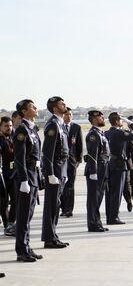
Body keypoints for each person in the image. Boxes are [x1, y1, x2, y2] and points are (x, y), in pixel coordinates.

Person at [13, 99, 44, 262]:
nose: (36, 108)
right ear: (24, 111)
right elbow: (19, 158)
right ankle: (21, 250)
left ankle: (26, 245)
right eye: (32, 107)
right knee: (23, 215)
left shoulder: (32, 129)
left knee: (29, 215)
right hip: (26, 177)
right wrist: (23, 180)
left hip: (33, 175)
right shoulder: (22, 130)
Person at [41, 96, 70, 249]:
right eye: (61, 104)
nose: (64, 105)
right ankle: (49, 238)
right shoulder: (53, 125)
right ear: (54, 108)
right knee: (51, 204)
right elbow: (47, 152)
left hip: (62, 167)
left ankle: (53, 235)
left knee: (56, 204)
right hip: (56, 168)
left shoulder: (60, 124)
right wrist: (50, 173)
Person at [104, 112, 133, 225]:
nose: (122, 122)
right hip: (119, 165)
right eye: (121, 120)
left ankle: (109, 216)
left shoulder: (107, 133)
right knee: (117, 193)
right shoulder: (119, 133)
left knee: (109, 192)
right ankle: (113, 218)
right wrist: (131, 124)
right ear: (116, 121)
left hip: (110, 164)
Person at [84, 111, 110, 232]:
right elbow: (92, 155)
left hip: (102, 169)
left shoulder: (100, 133)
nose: (102, 118)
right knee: (93, 198)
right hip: (96, 171)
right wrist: (93, 172)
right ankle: (93, 224)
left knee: (98, 197)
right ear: (94, 119)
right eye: (100, 117)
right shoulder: (93, 135)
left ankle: (97, 222)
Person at [60, 107, 83, 218]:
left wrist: (79, 159)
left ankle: (69, 209)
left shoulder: (76, 127)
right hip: (60, 162)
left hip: (72, 161)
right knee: (61, 185)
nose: (68, 116)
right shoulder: (58, 127)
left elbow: (79, 144)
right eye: (66, 114)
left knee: (70, 185)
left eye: (70, 114)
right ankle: (63, 207)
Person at [0, 116, 16, 236]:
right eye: (6, 126)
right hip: (2, 173)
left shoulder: (13, 137)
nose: (9, 128)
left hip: (13, 173)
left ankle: (11, 223)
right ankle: (6, 226)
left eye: (10, 125)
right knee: (3, 202)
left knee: (16, 199)